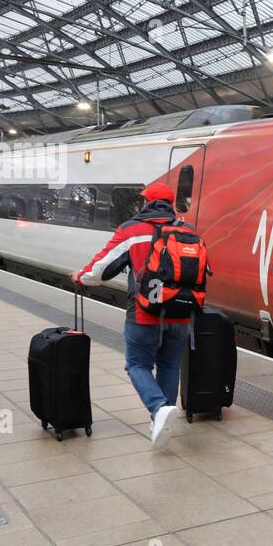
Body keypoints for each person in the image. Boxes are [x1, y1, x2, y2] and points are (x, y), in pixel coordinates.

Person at [72, 181, 190, 450]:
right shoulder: (187, 230)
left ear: (146, 202)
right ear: (171, 204)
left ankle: (159, 409)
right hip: (181, 313)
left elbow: (101, 270)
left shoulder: (132, 230)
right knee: (170, 366)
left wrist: (80, 276)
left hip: (144, 313)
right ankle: (159, 422)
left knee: (137, 365)